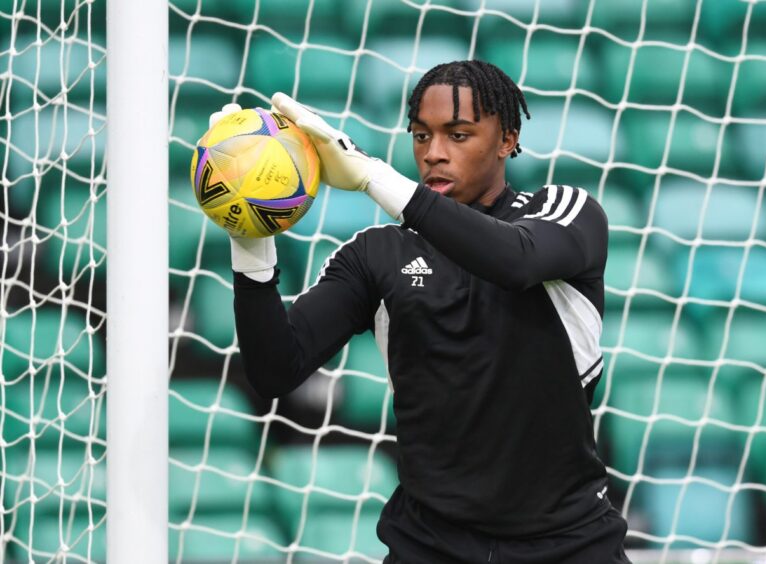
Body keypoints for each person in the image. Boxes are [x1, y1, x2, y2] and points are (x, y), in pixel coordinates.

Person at [223, 60, 630, 563]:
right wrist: (250, 239)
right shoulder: (376, 255)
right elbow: (274, 369)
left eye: (458, 135)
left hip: (569, 544)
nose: (434, 153)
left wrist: (374, 175)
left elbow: (515, 260)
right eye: (420, 135)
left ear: (507, 139)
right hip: (430, 545)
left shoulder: (563, 211)